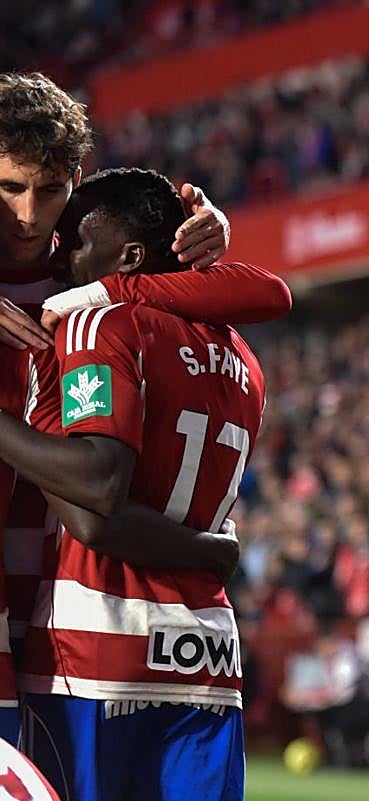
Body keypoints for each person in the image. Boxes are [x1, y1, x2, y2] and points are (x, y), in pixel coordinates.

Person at [0, 70, 290, 746]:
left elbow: (268, 295)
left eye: (50, 192)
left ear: (76, 179)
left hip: (61, 580)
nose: (29, 215)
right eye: (10, 188)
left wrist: (194, 247)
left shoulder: (85, 270)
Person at [0, 167, 268, 801]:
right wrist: (215, 550)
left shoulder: (98, 320)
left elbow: (95, 504)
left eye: (79, 237)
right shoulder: (243, 357)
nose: (63, 251)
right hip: (207, 657)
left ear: (128, 258)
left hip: (98, 642)